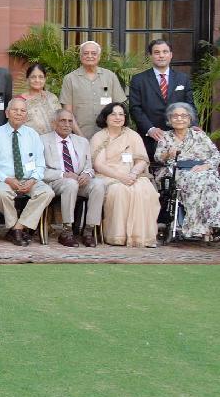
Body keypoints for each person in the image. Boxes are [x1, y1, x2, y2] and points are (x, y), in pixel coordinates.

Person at [90, 102, 159, 247]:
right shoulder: (99, 136)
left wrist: (133, 174)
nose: (118, 117)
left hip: (133, 175)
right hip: (108, 176)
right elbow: (99, 165)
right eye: (113, 114)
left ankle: (141, 237)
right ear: (105, 117)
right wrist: (121, 177)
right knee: (120, 190)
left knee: (145, 190)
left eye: (121, 114)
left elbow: (142, 160)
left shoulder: (132, 135)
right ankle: (118, 236)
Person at [0, 96, 53, 246]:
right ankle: (15, 229)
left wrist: (33, 180)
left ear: (26, 115)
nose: (18, 113)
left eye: (22, 111)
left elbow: (40, 164)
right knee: (0, 194)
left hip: (29, 179)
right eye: (15, 110)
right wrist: (7, 179)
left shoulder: (33, 135)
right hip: (4, 179)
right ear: (7, 113)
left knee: (47, 192)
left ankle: (17, 228)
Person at [154, 102, 220, 240]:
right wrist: (168, 154)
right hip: (177, 171)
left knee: (211, 180)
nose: (179, 119)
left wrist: (206, 166)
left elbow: (216, 155)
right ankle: (199, 227)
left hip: (203, 170)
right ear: (170, 119)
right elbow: (158, 158)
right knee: (199, 180)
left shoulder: (200, 135)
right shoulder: (165, 137)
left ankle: (211, 223)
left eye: (184, 116)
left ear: (190, 119)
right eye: (175, 116)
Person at [41, 109, 104, 247]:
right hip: (55, 182)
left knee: (99, 184)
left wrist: (87, 175)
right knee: (70, 183)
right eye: (63, 121)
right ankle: (66, 231)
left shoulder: (82, 142)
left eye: (70, 121)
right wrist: (63, 174)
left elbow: (89, 167)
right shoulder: (42, 140)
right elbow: (40, 170)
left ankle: (88, 231)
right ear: (54, 123)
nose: (67, 124)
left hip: (78, 181)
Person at [129, 38, 193, 162]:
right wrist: (150, 129)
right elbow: (135, 108)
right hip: (151, 138)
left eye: (165, 52)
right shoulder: (138, 80)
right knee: (154, 169)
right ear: (150, 56)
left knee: (180, 167)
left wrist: (193, 125)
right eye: (157, 52)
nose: (161, 55)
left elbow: (189, 105)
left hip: (179, 135)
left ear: (171, 55)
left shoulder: (183, 78)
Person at [60, 41, 126, 138]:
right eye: (86, 53)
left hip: (108, 136)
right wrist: (80, 137)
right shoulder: (70, 79)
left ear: (99, 56)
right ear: (80, 56)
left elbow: (119, 108)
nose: (90, 56)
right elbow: (67, 113)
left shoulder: (110, 76)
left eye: (94, 53)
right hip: (80, 135)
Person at [21, 62, 62, 135]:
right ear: (27, 79)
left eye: (41, 77)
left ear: (45, 79)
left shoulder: (52, 97)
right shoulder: (20, 101)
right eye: (33, 77)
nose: (37, 80)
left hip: (54, 140)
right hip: (32, 140)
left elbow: (61, 118)